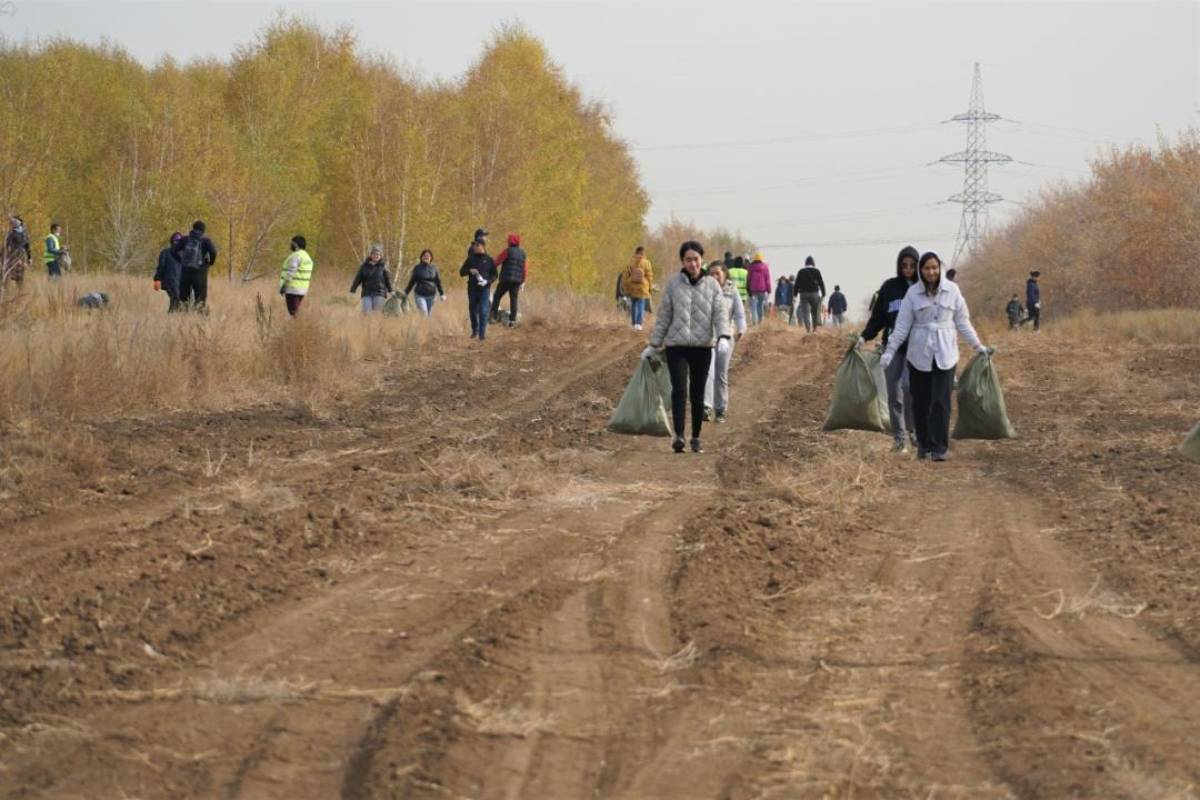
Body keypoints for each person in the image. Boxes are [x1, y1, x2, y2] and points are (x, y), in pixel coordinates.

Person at [880, 251, 989, 462]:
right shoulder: (913, 294)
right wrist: (890, 351)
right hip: (919, 354)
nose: (931, 272)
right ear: (921, 271)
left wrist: (978, 345)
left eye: (934, 268)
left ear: (940, 269)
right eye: (927, 268)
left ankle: (939, 447)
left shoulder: (953, 290)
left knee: (941, 401)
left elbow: (963, 321)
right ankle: (924, 444)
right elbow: (902, 327)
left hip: (945, 352)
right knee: (921, 402)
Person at [646, 240, 731, 454]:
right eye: (688, 260)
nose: (692, 263)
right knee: (679, 390)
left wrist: (723, 336)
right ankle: (679, 437)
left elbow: (720, 313)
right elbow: (664, 315)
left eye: (696, 259)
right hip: (677, 346)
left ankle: (696, 437)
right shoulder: (674, 284)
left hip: (702, 347)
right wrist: (654, 343)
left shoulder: (712, 285)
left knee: (698, 393)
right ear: (682, 261)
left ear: (701, 260)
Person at [859, 246, 919, 452]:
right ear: (899, 266)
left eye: (912, 266)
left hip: (916, 348)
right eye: (904, 265)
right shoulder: (889, 288)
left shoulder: (923, 288)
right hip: (892, 348)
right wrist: (864, 336)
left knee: (910, 388)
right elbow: (878, 319)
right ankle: (899, 437)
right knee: (894, 393)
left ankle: (915, 431)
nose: (908, 269)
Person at [703, 263, 746, 423]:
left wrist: (741, 329)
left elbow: (739, 314)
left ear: (724, 275)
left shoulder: (732, 291)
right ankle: (706, 406)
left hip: (725, 338)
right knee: (708, 371)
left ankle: (720, 409)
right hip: (707, 337)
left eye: (718, 274)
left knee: (721, 374)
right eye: (711, 274)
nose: (714, 277)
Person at [460, 239, 496, 340]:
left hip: (484, 289)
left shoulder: (489, 260)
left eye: (477, 245)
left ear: (483, 246)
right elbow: (461, 272)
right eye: (474, 245)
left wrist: (488, 282)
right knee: (472, 311)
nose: (474, 247)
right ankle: (475, 330)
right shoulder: (470, 259)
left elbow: (494, 275)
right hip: (472, 289)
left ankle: (482, 335)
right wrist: (469, 271)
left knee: (483, 312)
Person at [178, 220, 218, 311]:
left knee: (184, 298)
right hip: (200, 272)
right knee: (200, 298)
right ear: (203, 230)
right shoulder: (206, 241)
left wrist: (180, 261)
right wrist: (210, 262)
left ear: (193, 228)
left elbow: (173, 250)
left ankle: (183, 318)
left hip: (185, 272)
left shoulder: (184, 239)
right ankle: (198, 318)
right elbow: (213, 252)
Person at [491, 233, 526, 327]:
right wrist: (523, 281)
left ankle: (493, 317)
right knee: (514, 299)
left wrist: (490, 267)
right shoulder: (523, 253)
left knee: (497, 296)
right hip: (517, 281)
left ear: (509, 242)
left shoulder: (507, 251)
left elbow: (498, 261)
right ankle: (513, 320)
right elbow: (524, 269)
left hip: (506, 279)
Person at [350, 243, 394, 314]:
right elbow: (358, 278)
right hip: (367, 292)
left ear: (380, 255)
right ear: (370, 255)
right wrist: (353, 289)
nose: (375, 256)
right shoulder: (364, 266)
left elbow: (388, 279)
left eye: (377, 254)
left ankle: (376, 325)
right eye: (374, 254)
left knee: (377, 313)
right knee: (366, 313)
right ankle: (366, 324)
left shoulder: (383, 266)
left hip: (379, 293)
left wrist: (391, 290)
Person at [403, 249, 446, 316]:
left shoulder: (434, 268)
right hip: (420, 295)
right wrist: (406, 292)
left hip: (431, 295)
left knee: (429, 315)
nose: (426, 257)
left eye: (428, 256)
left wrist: (442, 294)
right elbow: (412, 282)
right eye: (424, 256)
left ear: (431, 258)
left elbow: (438, 282)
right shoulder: (417, 268)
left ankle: (425, 326)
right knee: (424, 313)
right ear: (421, 257)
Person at [279, 235, 313, 317]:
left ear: (296, 245)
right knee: (296, 312)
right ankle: (299, 327)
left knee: (294, 314)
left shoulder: (295, 256)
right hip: (303, 288)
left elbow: (291, 272)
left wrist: (284, 286)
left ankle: (300, 328)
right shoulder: (307, 257)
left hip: (292, 288)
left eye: (291, 243)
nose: (290, 246)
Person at [622, 245, 654, 331]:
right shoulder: (646, 263)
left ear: (635, 253)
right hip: (643, 288)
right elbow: (650, 276)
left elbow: (625, 276)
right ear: (643, 253)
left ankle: (633, 323)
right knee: (641, 306)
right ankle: (639, 324)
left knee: (633, 306)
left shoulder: (630, 263)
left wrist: (625, 287)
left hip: (632, 287)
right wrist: (650, 287)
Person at [153, 232, 185, 313]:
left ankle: (173, 320)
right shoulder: (165, 252)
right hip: (170, 282)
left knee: (177, 301)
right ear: (172, 241)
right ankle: (172, 318)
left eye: (179, 241)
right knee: (176, 299)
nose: (177, 243)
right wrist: (157, 280)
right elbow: (161, 267)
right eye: (175, 241)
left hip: (181, 283)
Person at [794, 255, 826, 332]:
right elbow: (821, 283)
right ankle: (814, 329)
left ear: (805, 263)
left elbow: (797, 284)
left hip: (803, 294)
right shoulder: (817, 271)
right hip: (814, 294)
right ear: (813, 263)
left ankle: (808, 330)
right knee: (815, 312)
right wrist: (823, 293)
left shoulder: (801, 272)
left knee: (805, 312)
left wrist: (795, 294)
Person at [3, 216, 31, 288]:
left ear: (20, 222)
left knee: (20, 275)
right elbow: (6, 245)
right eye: (13, 222)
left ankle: (19, 292)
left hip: (22, 256)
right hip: (13, 255)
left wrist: (29, 257)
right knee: (8, 274)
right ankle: (6, 291)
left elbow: (27, 246)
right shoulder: (11, 233)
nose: (14, 223)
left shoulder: (25, 233)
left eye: (16, 221)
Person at [746, 251, 772, 325]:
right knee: (760, 305)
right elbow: (767, 279)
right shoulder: (765, 267)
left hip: (753, 290)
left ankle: (755, 322)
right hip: (762, 290)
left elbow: (748, 278)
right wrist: (769, 289)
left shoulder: (750, 267)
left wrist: (748, 288)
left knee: (753, 306)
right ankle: (760, 321)